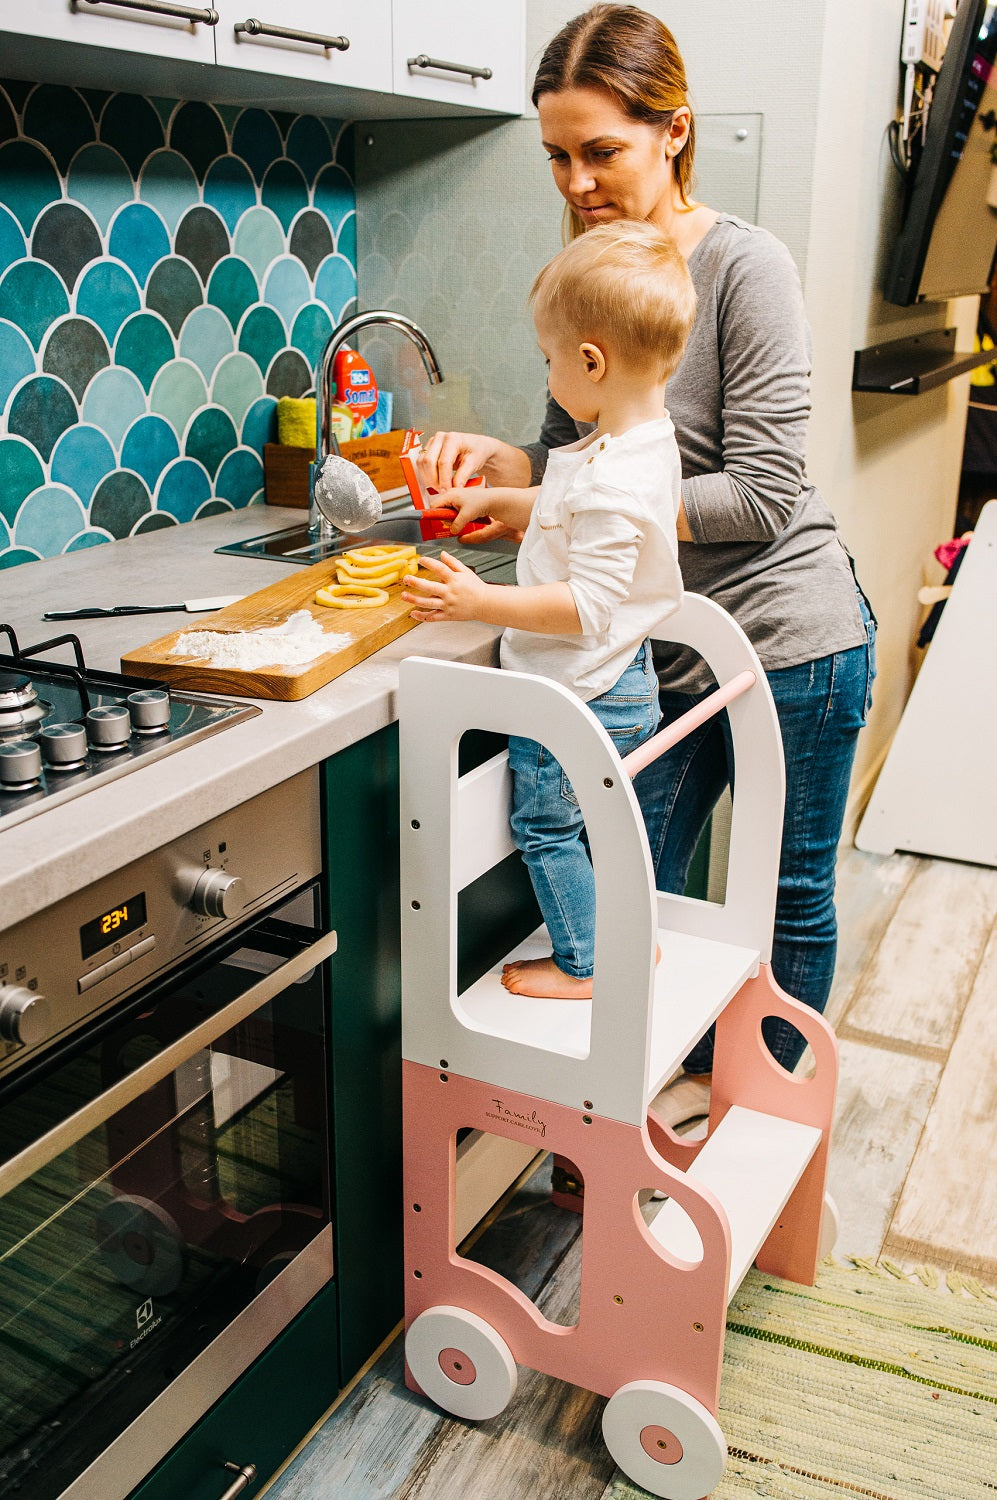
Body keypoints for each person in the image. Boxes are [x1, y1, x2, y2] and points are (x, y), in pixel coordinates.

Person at [415, 4, 877, 1118]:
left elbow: (761, 496)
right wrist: (510, 467)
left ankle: (764, 1113)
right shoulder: (589, 268)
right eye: (557, 157)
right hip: (651, 652)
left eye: (601, 151)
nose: (575, 180)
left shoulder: (743, 268)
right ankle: (647, 1122)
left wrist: (568, 496)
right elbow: (585, 448)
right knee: (638, 886)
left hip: (789, 643)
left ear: (674, 132)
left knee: (786, 894)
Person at [403, 218, 696, 1000]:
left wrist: (478, 598)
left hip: (581, 690)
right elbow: (568, 506)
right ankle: (627, 945)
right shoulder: (636, 443)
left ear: (591, 360)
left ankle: (589, 966)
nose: (547, 375)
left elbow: (587, 606)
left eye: (547, 360)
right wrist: (501, 496)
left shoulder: (611, 474)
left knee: (546, 829)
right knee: (602, 833)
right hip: (616, 681)